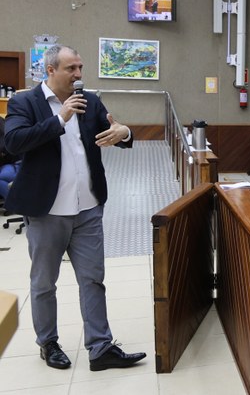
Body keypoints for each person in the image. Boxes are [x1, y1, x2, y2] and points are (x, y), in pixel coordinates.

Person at [3, 45, 146, 371]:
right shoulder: (25, 102)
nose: (79, 75)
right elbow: (13, 143)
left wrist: (124, 132)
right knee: (44, 283)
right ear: (50, 70)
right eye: (71, 69)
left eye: (80, 68)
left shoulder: (89, 101)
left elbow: (112, 129)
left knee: (93, 279)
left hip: (88, 209)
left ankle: (100, 347)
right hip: (47, 211)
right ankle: (48, 343)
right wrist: (59, 118)